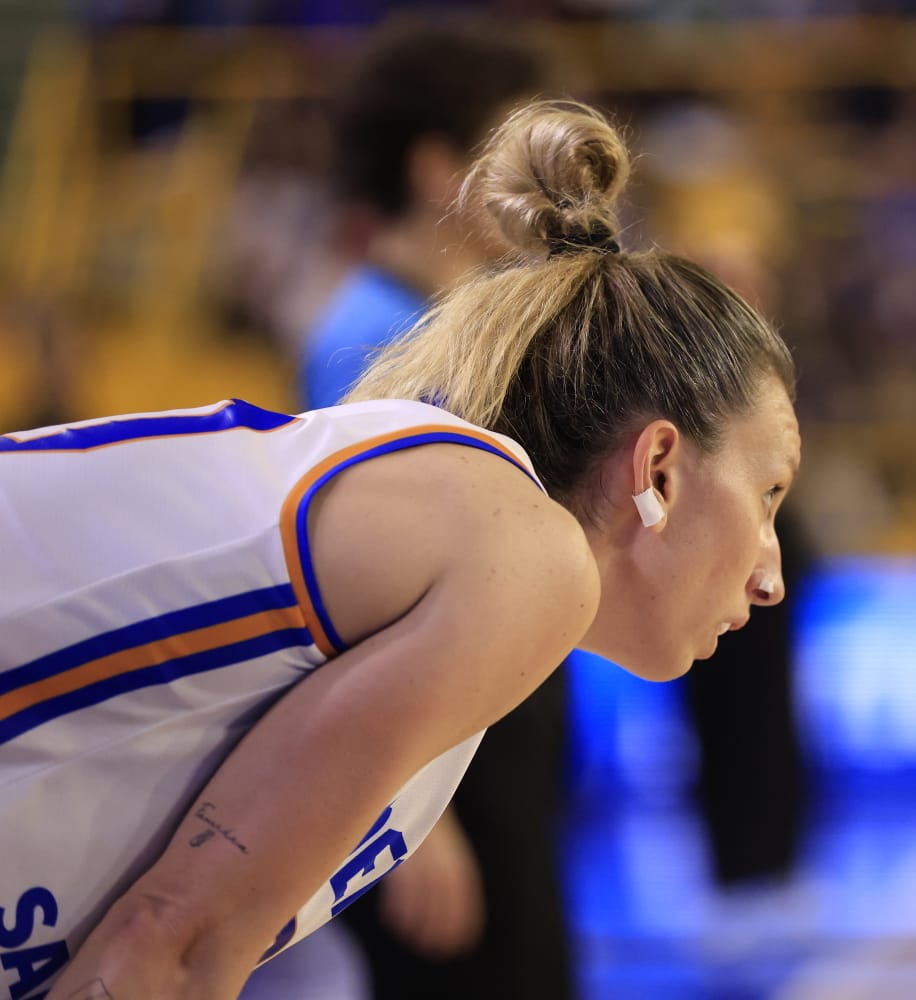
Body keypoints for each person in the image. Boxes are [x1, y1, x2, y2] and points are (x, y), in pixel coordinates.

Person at [0, 99, 800, 1000]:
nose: (772, 573)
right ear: (657, 465)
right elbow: (166, 948)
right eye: (769, 492)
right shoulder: (527, 557)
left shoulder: (464, 588)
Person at [290, 21, 578, 1000]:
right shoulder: (367, 341)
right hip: (439, 769)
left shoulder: (477, 323)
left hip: (497, 729)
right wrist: (411, 818)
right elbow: (350, 606)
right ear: (435, 169)